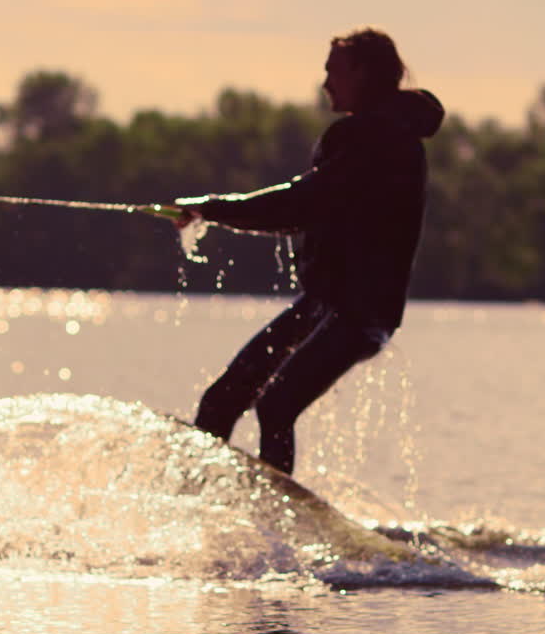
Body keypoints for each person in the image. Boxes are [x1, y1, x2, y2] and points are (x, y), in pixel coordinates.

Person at [167, 27, 444, 476]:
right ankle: (193, 500)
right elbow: (304, 209)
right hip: (326, 305)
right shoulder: (373, 135)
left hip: (359, 313)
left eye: (333, 71)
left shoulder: (378, 139)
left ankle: (275, 514)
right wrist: (211, 211)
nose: (325, 83)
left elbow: (300, 204)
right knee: (223, 400)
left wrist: (210, 208)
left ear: (362, 73)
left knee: (276, 405)